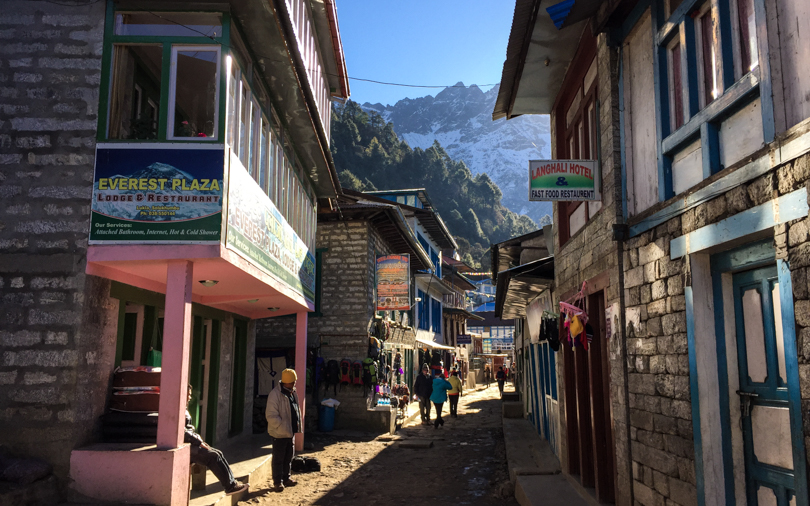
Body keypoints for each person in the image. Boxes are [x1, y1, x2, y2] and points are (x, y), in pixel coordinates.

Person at [185, 385, 249, 496]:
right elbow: (183, 432)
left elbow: (189, 430)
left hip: (190, 443)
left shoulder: (183, 408)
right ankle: (230, 486)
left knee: (218, 453)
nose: (189, 397)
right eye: (188, 395)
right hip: (185, 446)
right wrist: (198, 442)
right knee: (212, 456)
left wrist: (199, 440)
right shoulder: (176, 409)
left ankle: (232, 483)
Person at [265, 368, 302, 492]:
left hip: (289, 431)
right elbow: (271, 415)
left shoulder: (292, 392)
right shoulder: (275, 394)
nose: (295, 383)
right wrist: (280, 425)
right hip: (279, 433)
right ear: (289, 381)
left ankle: (286, 478)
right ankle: (277, 482)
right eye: (293, 381)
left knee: (288, 457)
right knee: (278, 459)